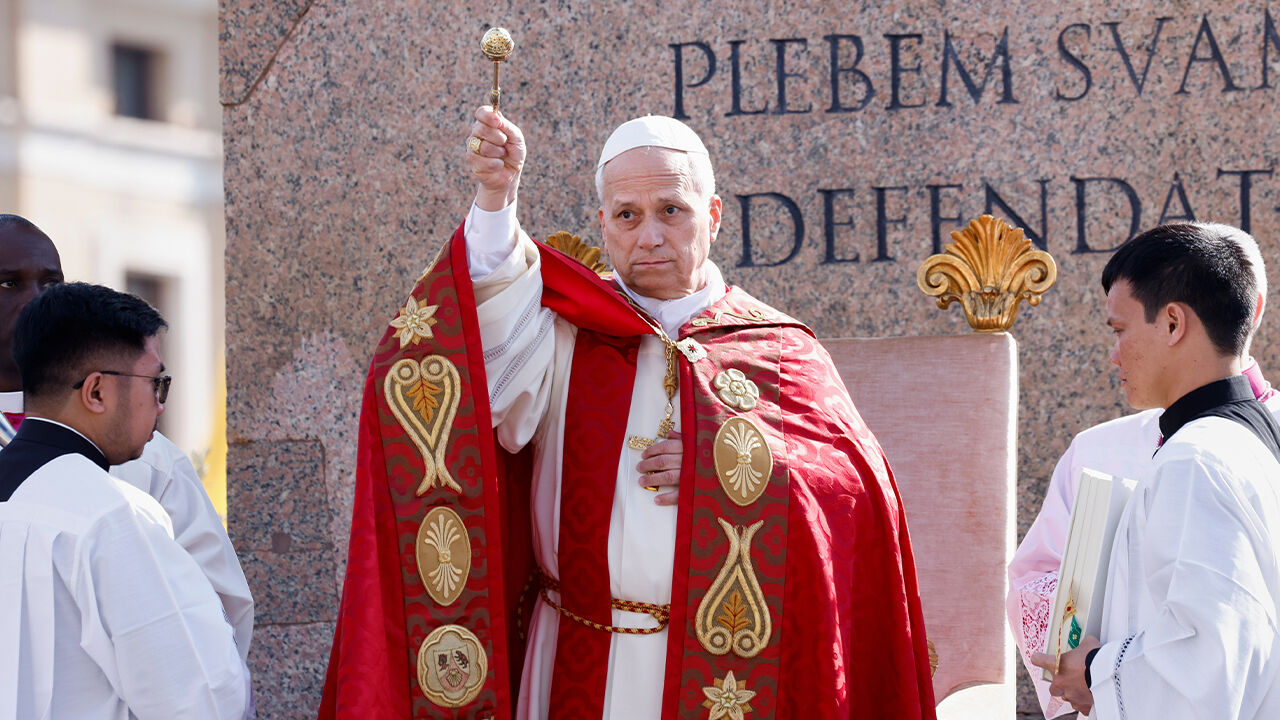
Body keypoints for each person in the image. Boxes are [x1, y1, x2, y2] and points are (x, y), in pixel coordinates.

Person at [319, 110, 936, 718]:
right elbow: (478, 366)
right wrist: (496, 199)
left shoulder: (777, 349)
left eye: (671, 210)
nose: (649, 236)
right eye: (627, 215)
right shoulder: (562, 327)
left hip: (731, 672)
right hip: (572, 651)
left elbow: (853, 491)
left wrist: (732, 470)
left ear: (713, 216)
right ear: (603, 225)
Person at [1007, 223, 1278, 717]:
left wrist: (1095, 670)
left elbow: (1209, 658)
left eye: (1119, 330)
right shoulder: (1253, 434)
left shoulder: (1195, 458)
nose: (1113, 355)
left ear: (1173, 323)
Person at [0, 213, 255, 661]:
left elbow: (219, 609)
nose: (35, 301)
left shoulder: (146, 455)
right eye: (8, 284)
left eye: (51, 283)